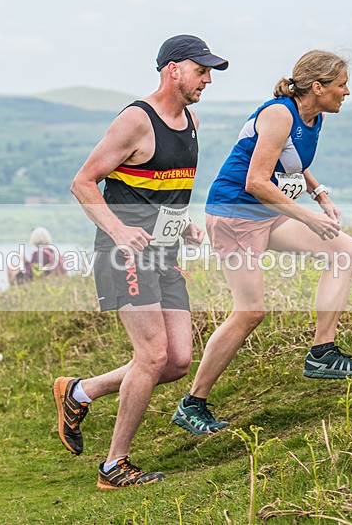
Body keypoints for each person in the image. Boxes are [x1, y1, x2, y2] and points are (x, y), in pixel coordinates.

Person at [53, 35, 228, 489]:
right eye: (201, 70)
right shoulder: (136, 120)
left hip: (163, 254)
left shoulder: (191, 120)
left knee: (177, 362)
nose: (207, 79)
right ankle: (114, 465)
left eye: (209, 72)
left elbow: (167, 188)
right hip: (123, 253)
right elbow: (83, 183)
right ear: (173, 69)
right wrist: (118, 230)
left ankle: (80, 391)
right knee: (151, 356)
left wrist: (183, 225)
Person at [170, 50, 352, 436]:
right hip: (234, 214)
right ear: (318, 87)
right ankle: (193, 403)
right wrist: (309, 215)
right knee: (250, 312)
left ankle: (322, 354)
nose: (347, 92)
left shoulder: (313, 116)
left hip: (267, 211)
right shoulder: (280, 113)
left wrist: (320, 193)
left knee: (344, 250)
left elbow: (292, 157)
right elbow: (255, 182)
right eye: (341, 84)